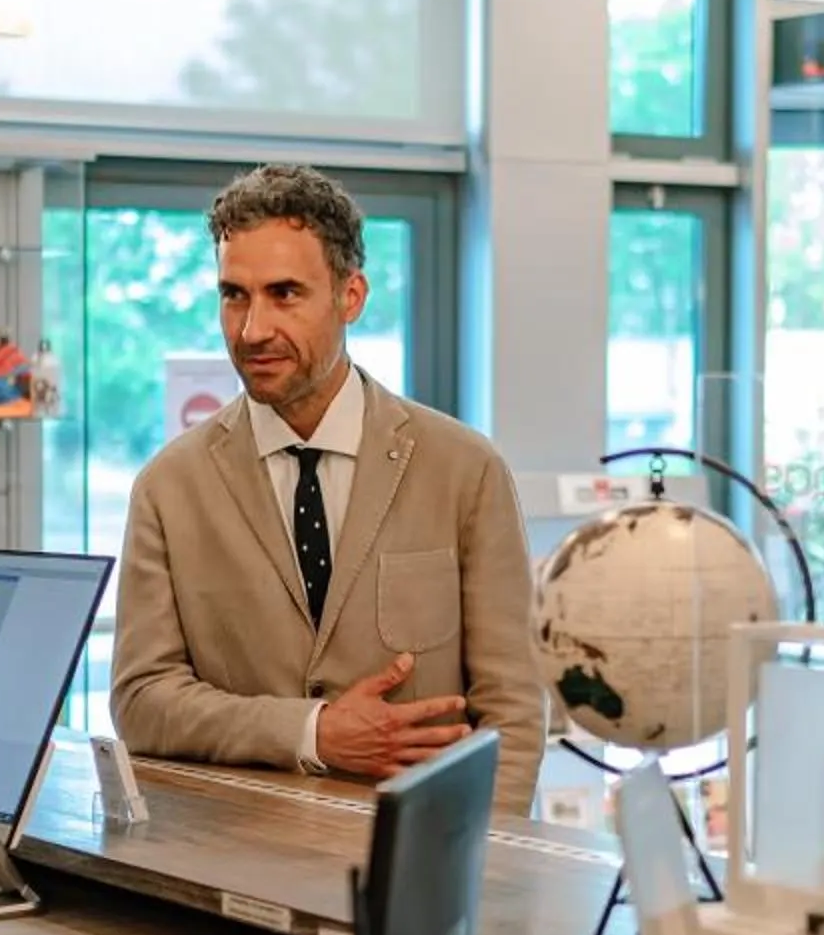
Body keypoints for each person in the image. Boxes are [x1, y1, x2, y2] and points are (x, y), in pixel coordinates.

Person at [113, 164, 544, 816]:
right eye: (234, 295)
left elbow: (511, 710)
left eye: (284, 293)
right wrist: (312, 732)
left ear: (351, 296)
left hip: (421, 865)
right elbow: (142, 700)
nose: (252, 329)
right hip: (240, 861)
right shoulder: (168, 489)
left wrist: (483, 864)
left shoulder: (464, 470)